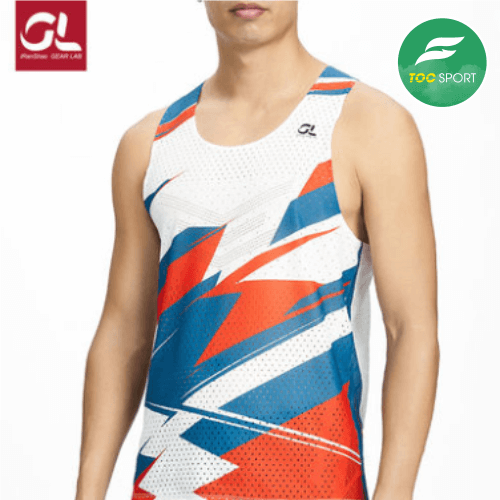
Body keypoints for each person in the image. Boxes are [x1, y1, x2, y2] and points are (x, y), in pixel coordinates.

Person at [74, 2, 439, 500]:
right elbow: (123, 333)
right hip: (171, 486)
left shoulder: (368, 124)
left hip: (316, 485)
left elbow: (411, 328)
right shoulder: (150, 144)